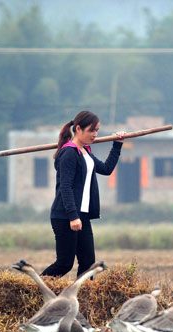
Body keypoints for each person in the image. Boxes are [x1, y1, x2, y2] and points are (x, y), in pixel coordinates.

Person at [41, 110, 124, 278]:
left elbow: (106, 169)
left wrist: (117, 144)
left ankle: (82, 301)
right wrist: (73, 216)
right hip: (65, 216)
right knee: (64, 263)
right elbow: (65, 187)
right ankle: (32, 290)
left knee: (88, 265)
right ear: (78, 129)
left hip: (82, 216)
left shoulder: (86, 151)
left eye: (97, 130)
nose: (95, 134)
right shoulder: (69, 153)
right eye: (91, 130)